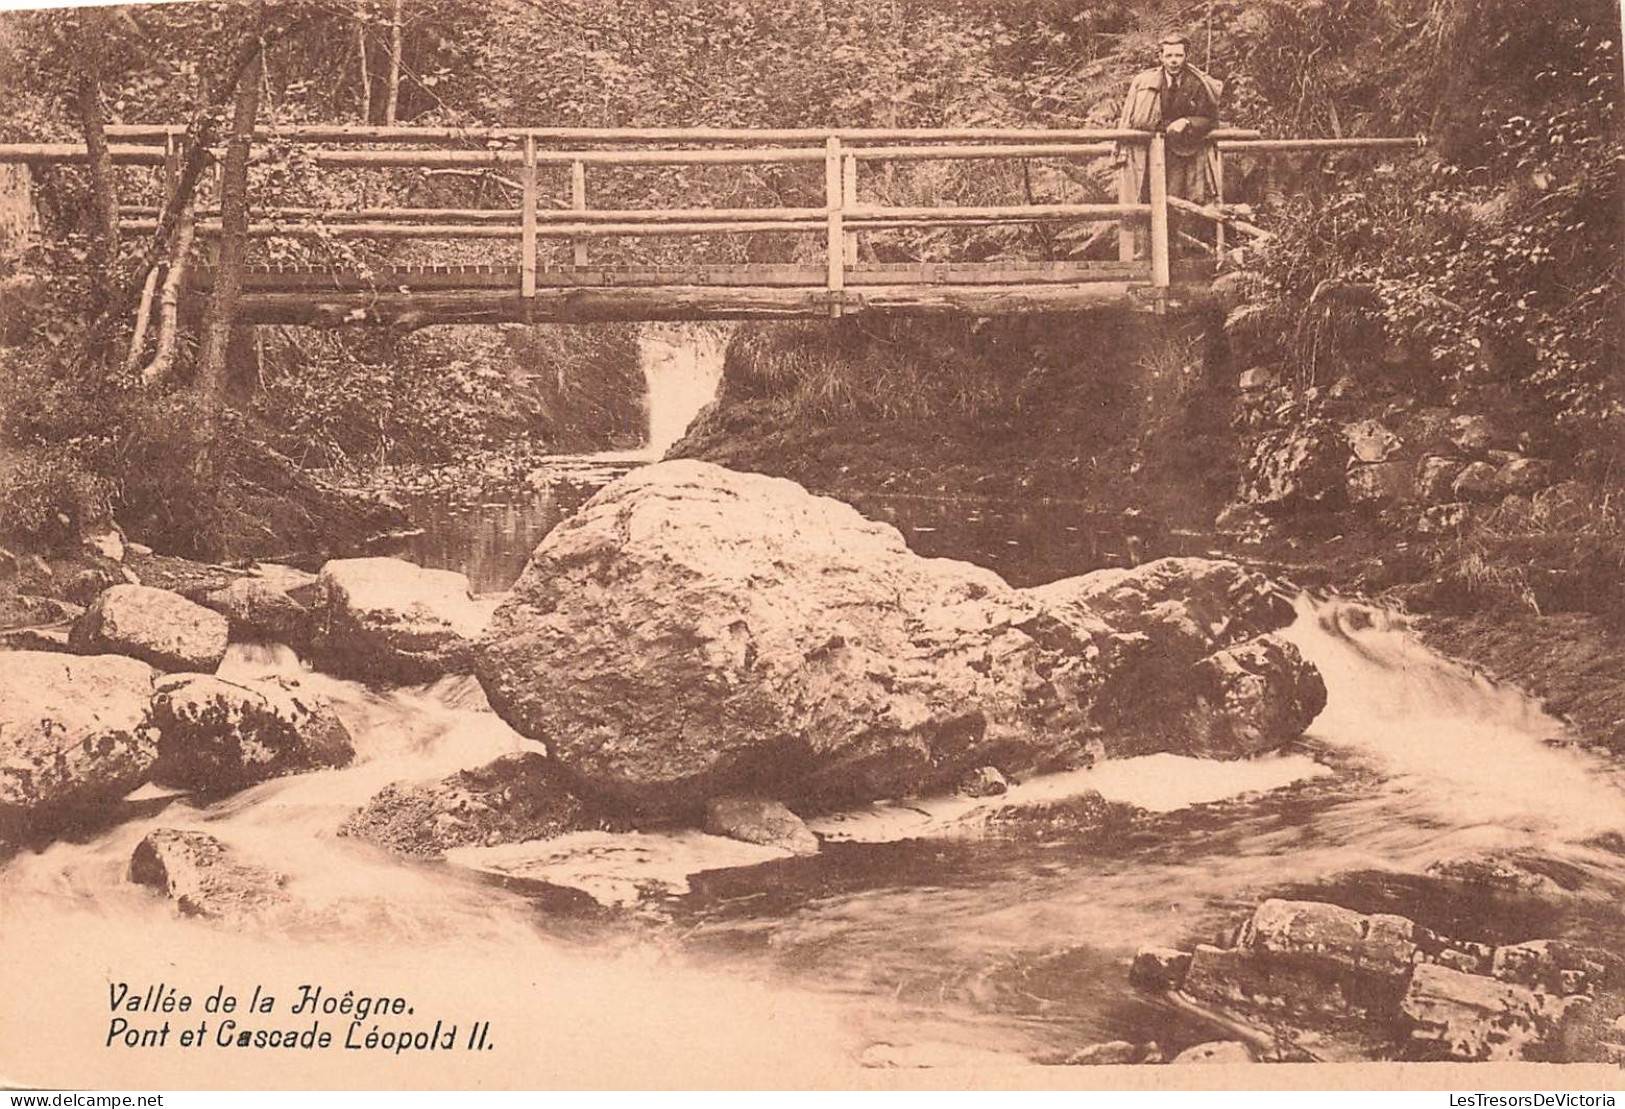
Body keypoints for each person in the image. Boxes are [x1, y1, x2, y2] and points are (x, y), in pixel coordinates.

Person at [1115, 33, 1224, 252]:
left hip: (1180, 152)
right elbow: (1134, 117)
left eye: (1178, 55)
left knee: (1174, 200)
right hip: (1146, 151)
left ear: (1186, 56)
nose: (1174, 60)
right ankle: (1146, 252)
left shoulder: (1197, 83)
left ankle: (1172, 251)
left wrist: (1187, 121)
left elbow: (1210, 119)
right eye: (1169, 55)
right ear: (1160, 57)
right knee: (1144, 196)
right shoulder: (1146, 82)